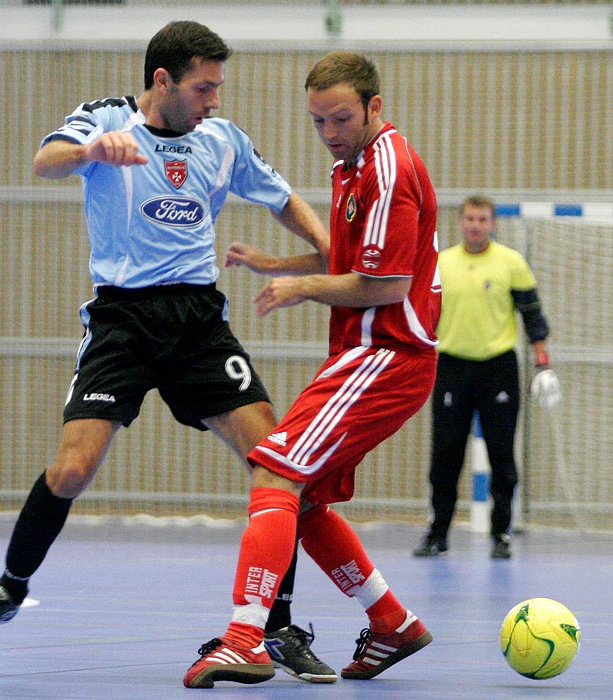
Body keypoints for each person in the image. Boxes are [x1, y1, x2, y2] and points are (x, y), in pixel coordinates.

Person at [0, 20, 338, 684]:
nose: (213, 99)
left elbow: (282, 198)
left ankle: (277, 628)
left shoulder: (222, 138)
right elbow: (45, 162)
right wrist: (94, 150)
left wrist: (329, 248)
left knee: (277, 465)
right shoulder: (106, 118)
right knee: (72, 470)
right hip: (122, 320)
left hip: (196, 322)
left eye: (218, 86)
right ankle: (9, 588)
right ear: (163, 81)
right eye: (202, 87)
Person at [184, 50, 441, 689]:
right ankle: (392, 622)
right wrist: (280, 265)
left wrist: (302, 291)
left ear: (375, 108)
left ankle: (246, 639)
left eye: (342, 119)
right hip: (362, 355)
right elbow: (343, 255)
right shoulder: (350, 166)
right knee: (306, 499)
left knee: (274, 469)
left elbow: (386, 286)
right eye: (319, 121)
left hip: (386, 355)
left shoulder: (388, 167)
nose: (330, 133)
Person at [413, 195, 561, 560]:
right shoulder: (441, 263)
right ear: (460, 222)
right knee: (445, 454)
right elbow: (420, 314)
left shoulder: (511, 263)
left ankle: (501, 534)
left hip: (498, 369)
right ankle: (438, 533)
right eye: (469, 218)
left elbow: (533, 317)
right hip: (451, 367)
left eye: (482, 219)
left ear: (493, 224)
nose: (475, 225)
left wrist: (543, 363)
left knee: (501, 454)